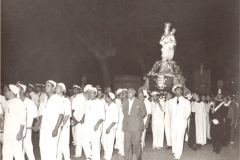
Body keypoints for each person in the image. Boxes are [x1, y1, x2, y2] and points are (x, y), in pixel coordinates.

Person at [36, 80, 64, 160]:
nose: (46, 87)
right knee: (43, 148)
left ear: (53, 88)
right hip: (44, 129)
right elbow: (43, 115)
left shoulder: (57, 99)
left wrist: (56, 129)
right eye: (45, 86)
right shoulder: (45, 99)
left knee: (51, 150)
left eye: (48, 86)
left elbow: (61, 115)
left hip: (52, 129)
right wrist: (38, 124)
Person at [3, 84, 26, 160]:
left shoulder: (19, 103)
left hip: (16, 133)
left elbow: (23, 120)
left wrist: (20, 133)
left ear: (12, 92)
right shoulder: (8, 102)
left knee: (18, 154)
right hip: (7, 133)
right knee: (6, 153)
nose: (5, 92)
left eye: (6, 91)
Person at [122, 88, 146, 160]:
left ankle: (138, 156)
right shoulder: (125, 101)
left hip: (136, 125)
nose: (128, 93)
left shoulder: (139, 101)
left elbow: (144, 113)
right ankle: (128, 158)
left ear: (134, 92)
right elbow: (124, 112)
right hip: (127, 124)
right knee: (127, 143)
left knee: (136, 142)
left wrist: (136, 119)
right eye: (128, 92)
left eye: (130, 92)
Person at [82, 87, 105, 160]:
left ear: (95, 94)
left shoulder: (99, 103)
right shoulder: (87, 102)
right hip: (87, 126)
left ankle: (95, 158)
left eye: (92, 93)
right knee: (84, 141)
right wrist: (83, 121)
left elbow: (102, 116)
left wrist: (97, 125)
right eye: (90, 93)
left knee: (95, 144)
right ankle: (90, 155)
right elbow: (85, 113)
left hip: (96, 126)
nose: (91, 94)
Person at [169, 84, 191, 159]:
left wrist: (182, 119)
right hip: (173, 123)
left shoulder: (186, 101)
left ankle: (178, 154)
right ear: (174, 92)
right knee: (173, 137)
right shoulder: (171, 101)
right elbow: (170, 112)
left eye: (180, 90)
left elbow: (188, 113)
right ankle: (175, 151)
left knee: (180, 138)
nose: (180, 91)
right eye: (177, 90)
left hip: (181, 123)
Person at [18, 83, 38, 160]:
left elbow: (37, 116)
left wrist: (37, 125)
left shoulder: (29, 102)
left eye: (18, 88)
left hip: (27, 130)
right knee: (19, 151)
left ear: (22, 91)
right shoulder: (16, 102)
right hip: (17, 130)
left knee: (28, 149)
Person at [72, 84, 91, 158]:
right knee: (78, 138)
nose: (91, 94)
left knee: (86, 139)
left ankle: (89, 155)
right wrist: (75, 121)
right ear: (86, 91)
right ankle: (78, 154)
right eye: (90, 92)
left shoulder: (89, 100)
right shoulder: (78, 98)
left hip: (86, 123)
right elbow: (72, 110)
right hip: (78, 122)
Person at [55, 83, 71, 160]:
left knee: (64, 143)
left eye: (58, 87)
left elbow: (67, 114)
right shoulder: (54, 99)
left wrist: (61, 125)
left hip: (64, 125)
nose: (56, 88)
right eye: (56, 87)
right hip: (56, 125)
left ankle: (67, 158)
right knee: (57, 143)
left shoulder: (66, 100)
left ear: (62, 89)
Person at [102, 92, 119, 160]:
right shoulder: (106, 105)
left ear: (110, 98)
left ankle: (108, 156)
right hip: (104, 126)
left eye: (106, 97)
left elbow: (115, 120)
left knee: (110, 142)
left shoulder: (114, 106)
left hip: (111, 127)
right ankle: (106, 153)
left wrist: (109, 128)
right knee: (103, 141)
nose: (105, 98)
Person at [114, 88, 125, 156]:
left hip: (123, 122)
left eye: (122, 93)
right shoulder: (117, 101)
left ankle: (124, 150)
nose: (121, 95)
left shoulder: (126, 101)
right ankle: (121, 149)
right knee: (118, 136)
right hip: (117, 122)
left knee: (123, 136)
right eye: (120, 94)